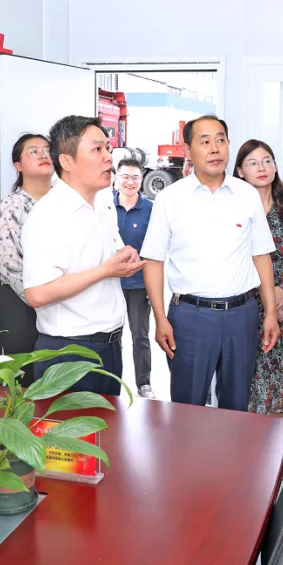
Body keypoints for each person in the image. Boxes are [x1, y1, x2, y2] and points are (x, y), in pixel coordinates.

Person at [140, 115, 280, 412]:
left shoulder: (246, 194)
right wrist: (160, 318)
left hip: (241, 315)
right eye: (205, 141)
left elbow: (261, 256)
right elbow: (153, 262)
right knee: (187, 408)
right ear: (188, 150)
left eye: (220, 140)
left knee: (236, 408)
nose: (215, 148)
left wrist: (270, 313)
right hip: (190, 317)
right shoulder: (170, 198)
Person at [22, 116, 143, 393]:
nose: (108, 158)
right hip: (69, 352)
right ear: (67, 161)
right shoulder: (48, 215)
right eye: (97, 149)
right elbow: (37, 293)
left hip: (108, 346)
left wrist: (124, 256)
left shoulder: (102, 204)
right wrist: (105, 271)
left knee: (108, 422)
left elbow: (106, 256)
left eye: (107, 149)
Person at [234, 140, 283, 416]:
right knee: (246, 380)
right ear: (240, 171)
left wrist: (282, 290)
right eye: (253, 163)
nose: (262, 167)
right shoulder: (234, 208)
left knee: (280, 382)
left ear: (275, 167)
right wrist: (263, 293)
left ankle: (276, 441)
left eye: (267, 161)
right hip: (246, 302)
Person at [0, 133, 52, 385]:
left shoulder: (64, 203)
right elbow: (10, 265)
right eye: (33, 151)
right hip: (22, 305)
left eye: (47, 149)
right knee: (27, 382)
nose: (43, 155)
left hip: (62, 302)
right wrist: (45, 297)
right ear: (18, 165)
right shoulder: (9, 207)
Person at [113, 157, 156, 399]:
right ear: (116, 178)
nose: (130, 182)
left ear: (142, 179)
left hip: (139, 285)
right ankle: (112, 383)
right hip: (110, 283)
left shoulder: (151, 210)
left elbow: (156, 252)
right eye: (125, 176)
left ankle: (144, 383)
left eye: (135, 177)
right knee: (111, 336)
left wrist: (152, 286)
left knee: (140, 336)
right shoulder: (105, 207)